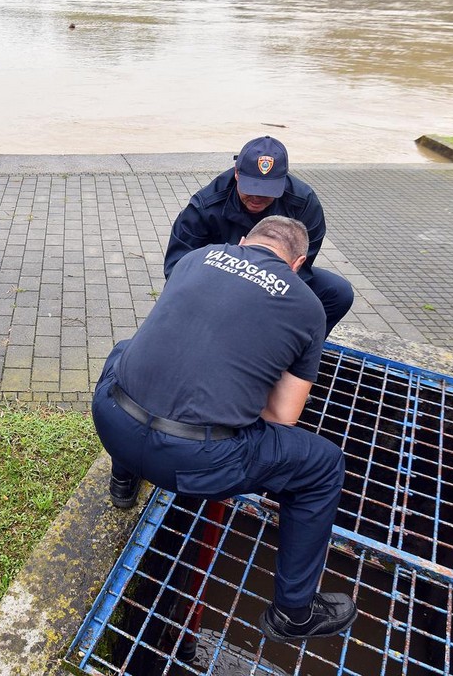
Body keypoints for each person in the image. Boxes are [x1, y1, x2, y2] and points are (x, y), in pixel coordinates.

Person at [92, 215, 356, 643]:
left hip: (111, 421)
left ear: (242, 241)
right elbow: (281, 418)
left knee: (124, 351)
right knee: (323, 465)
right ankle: (294, 613)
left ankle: (124, 479)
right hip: (193, 465)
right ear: (299, 262)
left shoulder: (197, 259)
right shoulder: (307, 305)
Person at [165, 136, 354, 337]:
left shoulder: (304, 203)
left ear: (283, 180)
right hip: (219, 284)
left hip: (273, 282)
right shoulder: (205, 206)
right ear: (237, 173)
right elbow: (177, 267)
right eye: (251, 189)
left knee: (338, 292)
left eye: (266, 191)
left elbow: (301, 270)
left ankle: (295, 350)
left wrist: (266, 302)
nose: (257, 198)